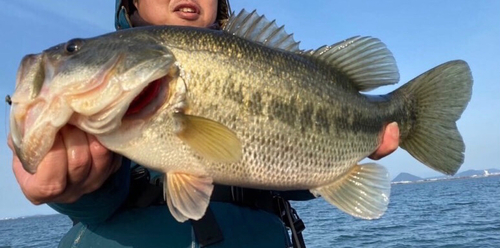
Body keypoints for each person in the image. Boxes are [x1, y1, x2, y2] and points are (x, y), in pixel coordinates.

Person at [8, 0, 401, 247]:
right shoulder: (102, 112)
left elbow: (280, 170)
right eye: (75, 51)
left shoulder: (251, 54)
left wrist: (338, 157)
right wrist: (80, 188)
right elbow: (101, 202)